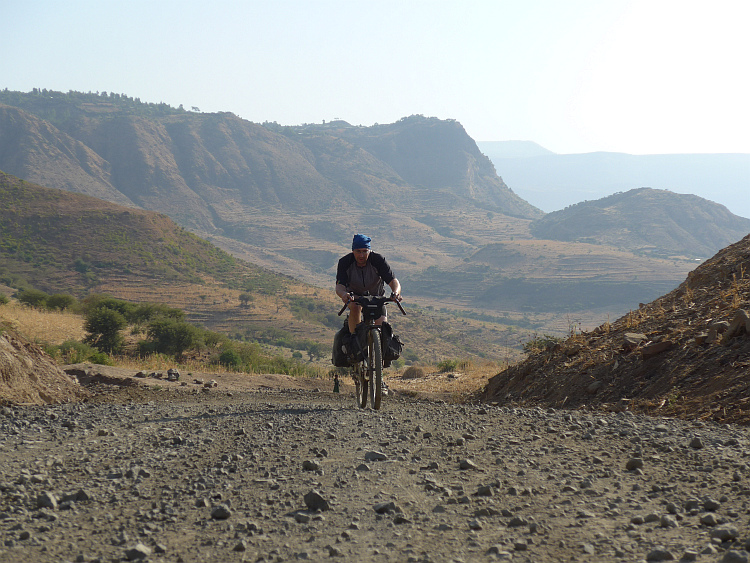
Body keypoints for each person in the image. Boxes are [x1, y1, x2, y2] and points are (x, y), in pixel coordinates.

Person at [335, 233, 402, 343]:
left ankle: (380, 355)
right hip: (355, 298)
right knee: (355, 308)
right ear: (353, 251)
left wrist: (396, 293)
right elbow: (339, 285)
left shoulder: (378, 260)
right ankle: (355, 341)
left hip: (377, 299)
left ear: (369, 251)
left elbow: (393, 280)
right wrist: (344, 295)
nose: (361, 255)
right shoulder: (345, 262)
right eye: (358, 251)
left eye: (365, 251)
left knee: (383, 334)